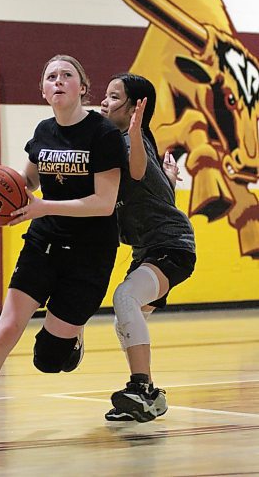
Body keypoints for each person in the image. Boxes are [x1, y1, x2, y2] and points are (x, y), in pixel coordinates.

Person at [0, 54, 127, 449]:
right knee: (6, 328)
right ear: (42, 90)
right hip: (45, 241)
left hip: (89, 252)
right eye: (50, 76)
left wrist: (42, 206)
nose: (58, 81)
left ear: (82, 87)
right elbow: (28, 181)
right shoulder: (43, 131)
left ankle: (72, 335)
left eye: (67, 75)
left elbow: (104, 202)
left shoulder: (102, 134)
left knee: (48, 361)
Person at [100, 73, 196, 422]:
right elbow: (157, 192)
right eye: (105, 95)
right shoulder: (135, 143)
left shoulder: (131, 141)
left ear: (136, 107)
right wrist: (168, 179)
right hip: (148, 249)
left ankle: (140, 387)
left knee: (125, 298)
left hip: (172, 245)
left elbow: (137, 172)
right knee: (126, 318)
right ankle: (150, 398)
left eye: (113, 97)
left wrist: (136, 131)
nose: (104, 102)